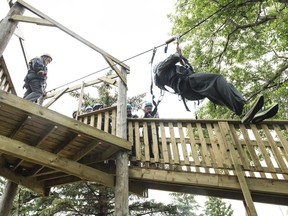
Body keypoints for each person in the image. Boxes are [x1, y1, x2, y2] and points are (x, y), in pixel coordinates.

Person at [153, 47, 275, 123]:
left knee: (225, 87)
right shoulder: (161, 71)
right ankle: (242, 109)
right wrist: (176, 55)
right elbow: (168, 61)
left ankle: (246, 113)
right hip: (187, 83)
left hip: (191, 91)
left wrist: (182, 58)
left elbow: (190, 69)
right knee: (217, 79)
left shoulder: (172, 72)